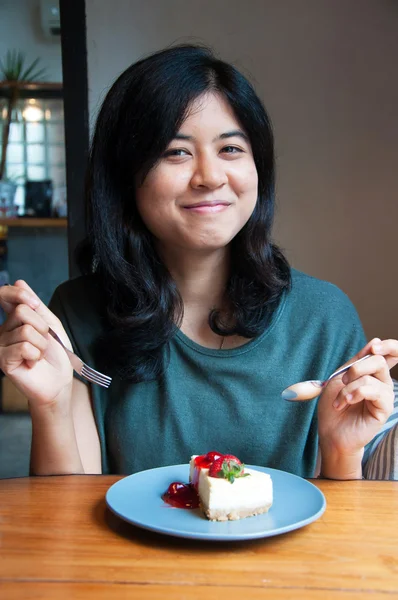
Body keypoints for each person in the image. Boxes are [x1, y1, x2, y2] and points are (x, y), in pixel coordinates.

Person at [0, 44, 396, 479]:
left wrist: (341, 453)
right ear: (125, 176)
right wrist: (50, 406)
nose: (210, 176)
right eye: (177, 152)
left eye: (230, 149)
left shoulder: (323, 318)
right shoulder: (78, 312)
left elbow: (340, 538)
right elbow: (65, 528)